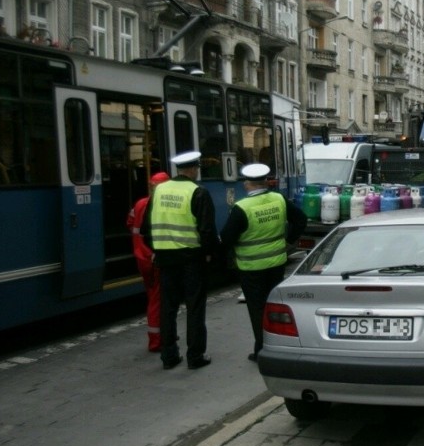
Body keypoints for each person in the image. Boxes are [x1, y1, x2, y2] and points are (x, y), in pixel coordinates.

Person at [220, 163, 307, 362]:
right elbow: (301, 219)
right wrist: (289, 242)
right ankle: (279, 346)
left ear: (247, 184)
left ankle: (262, 349)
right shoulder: (279, 199)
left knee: (257, 309)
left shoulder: (242, 208)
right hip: (276, 263)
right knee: (275, 306)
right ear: (266, 182)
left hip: (251, 268)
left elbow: (226, 238)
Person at [142, 151, 219, 370]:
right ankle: (195, 356)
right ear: (193, 169)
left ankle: (169, 356)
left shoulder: (159, 191)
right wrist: (208, 254)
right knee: (195, 307)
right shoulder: (198, 192)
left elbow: (146, 229)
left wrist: (157, 248)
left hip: (165, 258)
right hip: (192, 259)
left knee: (168, 307)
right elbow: (207, 230)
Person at [126, 171, 170, 352]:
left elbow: (130, 223)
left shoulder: (139, 203)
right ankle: (156, 340)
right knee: (158, 300)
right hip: (155, 257)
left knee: (152, 295)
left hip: (141, 257)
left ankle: (161, 335)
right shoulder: (160, 206)